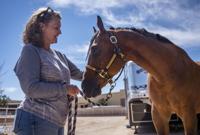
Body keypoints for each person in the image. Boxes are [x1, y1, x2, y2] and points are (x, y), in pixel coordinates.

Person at [13, 7, 83, 135]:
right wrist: (65, 89)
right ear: (42, 27)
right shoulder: (30, 51)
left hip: (57, 122)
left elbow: (82, 75)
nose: (60, 32)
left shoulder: (60, 56)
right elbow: (31, 88)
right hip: (35, 119)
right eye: (56, 28)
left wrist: (105, 73)